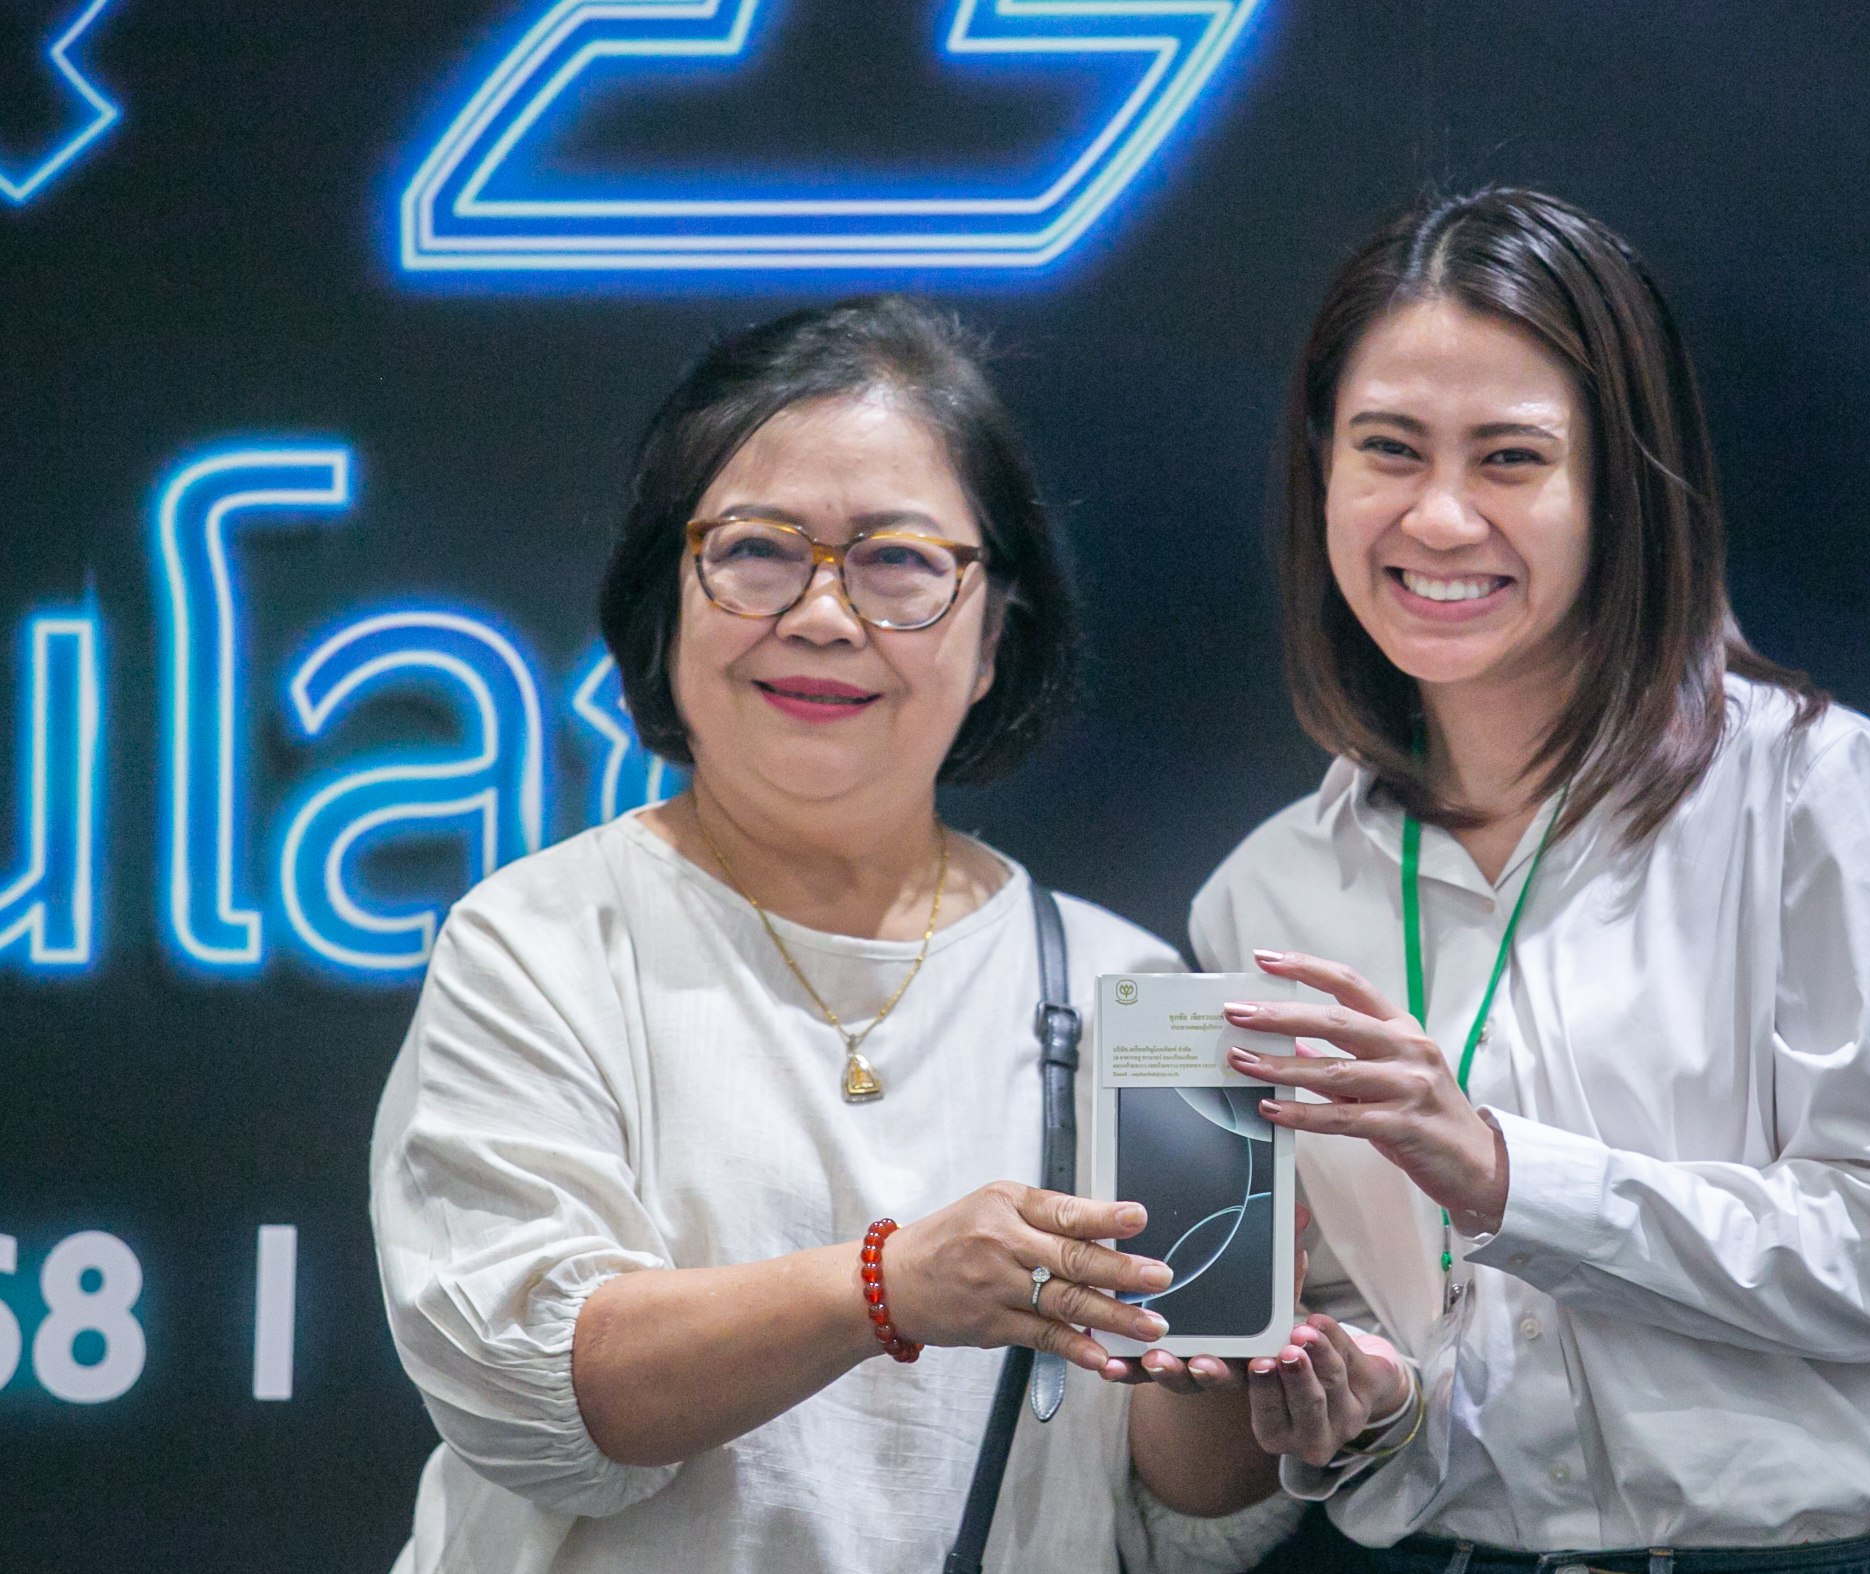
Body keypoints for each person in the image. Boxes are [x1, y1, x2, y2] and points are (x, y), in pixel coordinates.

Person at [369, 296, 1296, 1574]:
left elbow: (1182, 1506)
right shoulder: (539, 942)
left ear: (992, 635)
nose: (821, 613)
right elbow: (537, 1396)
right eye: (756, 550)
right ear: (666, 600)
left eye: (897, 561)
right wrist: (890, 1284)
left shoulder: (1132, 989)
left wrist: (1241, 1361)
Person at [1187, 189, 1870, 1572]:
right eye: (1388, 448)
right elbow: (1372, 1322)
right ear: (1322, 469)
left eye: (1511, 457)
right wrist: (1367, 1401)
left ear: (1621, 486)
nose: (1440, 516)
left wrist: (1508, 1174)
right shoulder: (1264, 892)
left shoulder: (1817, 794)